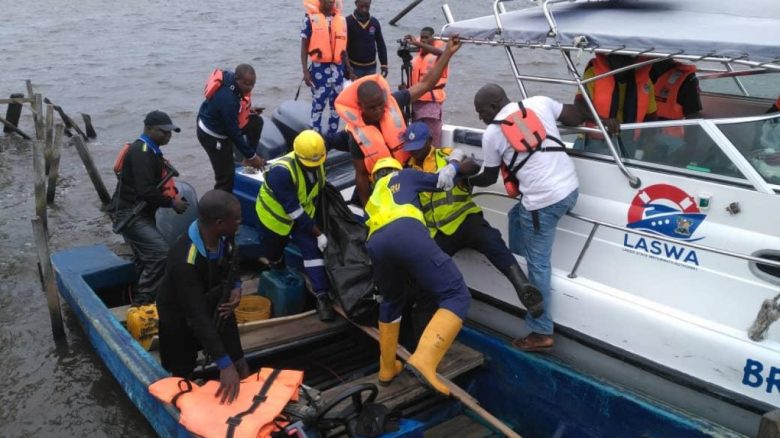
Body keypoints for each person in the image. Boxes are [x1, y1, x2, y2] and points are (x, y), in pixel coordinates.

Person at [470, 84, 597, 352]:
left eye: (481, 112)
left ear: (493, 108)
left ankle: (541, 331)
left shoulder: (493, 133)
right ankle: (519, 262)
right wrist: (598, 115)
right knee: (516, 214)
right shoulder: (539, 102)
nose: (480, 118)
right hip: (570, 189)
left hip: (543, 204)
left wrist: (462, 176)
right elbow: (574, 116)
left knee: (539, 263)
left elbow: (488, 177)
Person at [403, 122, 543, 331]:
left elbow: (473, 165)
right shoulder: (407, 170)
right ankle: (423, 325)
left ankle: (523, 286)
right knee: (427, 276)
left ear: (430, 142)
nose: (416, 152)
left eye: (420, 147)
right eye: (412, 148)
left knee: (492, 241)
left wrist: (453, 168)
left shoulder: (446, 155)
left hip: (465, 219)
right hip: (439, 232)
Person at [365, 157, 470, 396]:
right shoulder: (404, 175)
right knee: (456, 293)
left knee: (392, 300)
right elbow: (442, 182)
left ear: (375, 178)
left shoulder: (373, 198)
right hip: (406, 232)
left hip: (376, 243)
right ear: (394, 169)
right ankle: (423, 360)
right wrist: (455, 164)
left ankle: (387, 368)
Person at [335, 36, 462, 207]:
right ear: (361, 107)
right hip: (381, 187)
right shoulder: (355, 136)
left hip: (408, 176)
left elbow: (426, 84)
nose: (380, 110)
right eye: (372, 107)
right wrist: (368, 210)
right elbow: (361, 175)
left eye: (381, 104)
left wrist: (447, 53)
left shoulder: (393, 101)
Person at [157, 190, 249, 404]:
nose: (240, 222)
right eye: (236, 220)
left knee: (239, 361)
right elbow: (196, 317)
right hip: (180, 313)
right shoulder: (185, 262)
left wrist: (236, 286)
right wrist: (224, 365)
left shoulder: (226, 236)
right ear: (219, 223)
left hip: (215, 298)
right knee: (182, 374)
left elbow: (233, 260)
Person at [111, 110, 189, 307]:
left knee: (144, 258)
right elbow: (145, 191)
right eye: (163, 131)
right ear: (148, 128)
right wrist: (172, 203)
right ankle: (142, 303)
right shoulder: (142, 152)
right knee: (161, 254)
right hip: (130, 214)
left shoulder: (153, 151)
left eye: (170, 132)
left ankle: (141, 295)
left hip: (142, 213)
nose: (168, 135)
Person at [255, 130, 334, 321]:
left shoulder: (318, 151)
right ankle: (278, 268)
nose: (314, 168)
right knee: (274, 252)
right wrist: (319, 234)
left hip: (303, 215)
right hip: (274, 218)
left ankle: (322, 296)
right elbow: (293, 209)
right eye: (310, 165)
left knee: (312, 252)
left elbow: (342, 138)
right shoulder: (280, 172)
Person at [197, 64, 265, 193]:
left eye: (252, 84)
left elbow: (236, 107)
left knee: (256, 122)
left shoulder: (233, 83)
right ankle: (219, 206)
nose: (250, 88)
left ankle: (248, 161)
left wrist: (248, 110)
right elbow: (233, 132)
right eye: (246, 84)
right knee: (226, 177)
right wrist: (252, 156)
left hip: (224, 121)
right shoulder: (227, 99)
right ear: (237, 78)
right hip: (212, 134)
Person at [574, 54, 655, 155]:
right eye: (616, 56)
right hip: (593, 140)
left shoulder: (646, 84)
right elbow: (579, 106)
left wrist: (649, 144)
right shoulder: (593, 74)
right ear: (609, 58)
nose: (621, 62)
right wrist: (602, 120)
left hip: (628, 142)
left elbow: (651, 116)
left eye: (627, 57)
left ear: (634, 61)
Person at [301, 0, 349, 136]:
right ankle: (315, 136)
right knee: (318, 107)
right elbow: (304, 47)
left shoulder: (341, 21)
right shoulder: (309, 20)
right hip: (319, 72)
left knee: (336, 107)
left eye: (332, 0)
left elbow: (344, 49)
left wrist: (350, 71)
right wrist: (305, 72)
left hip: (338, 72)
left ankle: (332, 137)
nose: (329, 2)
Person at [405, 27, 448, 148]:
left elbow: (441, 53)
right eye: (421, 37)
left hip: (431, 103)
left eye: (426, 37)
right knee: (417, 137)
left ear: (433, 38)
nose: (423, 40)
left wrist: (417, 43)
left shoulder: (440, 55)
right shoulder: (416, 58)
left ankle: (434, 160)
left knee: (432, 137)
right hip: (416, 103)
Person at [346, 0, 388, 79]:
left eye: (367, 7)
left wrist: (384, 64)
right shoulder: (348, 21)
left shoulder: (374, 22)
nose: (364, 9)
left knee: (370, 90)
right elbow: (343, 48)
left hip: (371, 68)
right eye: (361, 6)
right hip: (354, 68)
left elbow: (381, 45)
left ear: (370, 4)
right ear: (356, 3)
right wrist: (348, 69)